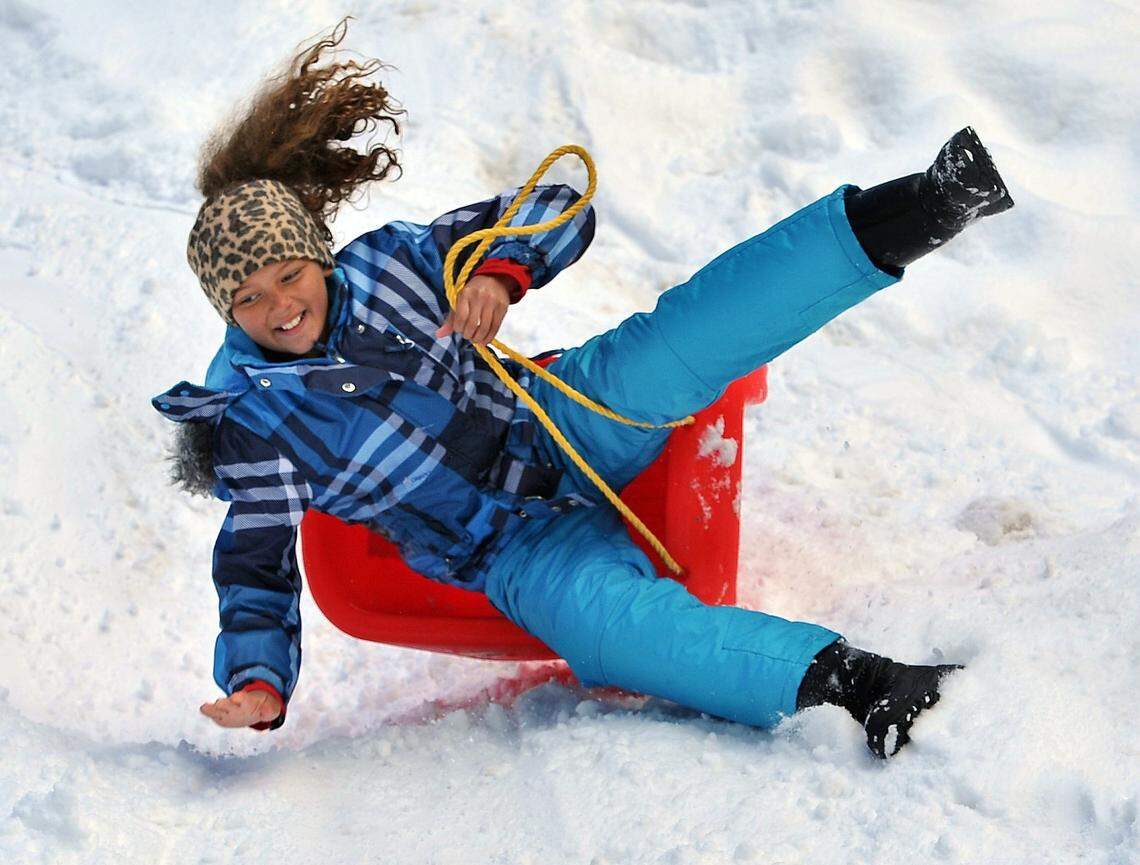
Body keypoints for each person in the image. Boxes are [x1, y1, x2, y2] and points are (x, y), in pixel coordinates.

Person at [154, 19, 1014, 759]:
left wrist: (498, 270)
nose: (279, 306)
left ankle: (924, 206)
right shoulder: (254, 423)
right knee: (611, 632)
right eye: (249, 298)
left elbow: (559, 204)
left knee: (679, 344)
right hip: (507, 550)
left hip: (556, 419)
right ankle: (866, 686)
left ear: (318, 257)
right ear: (226, 311)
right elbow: (254, 563)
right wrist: (259, 676)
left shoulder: (393, 265)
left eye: (288, 275)